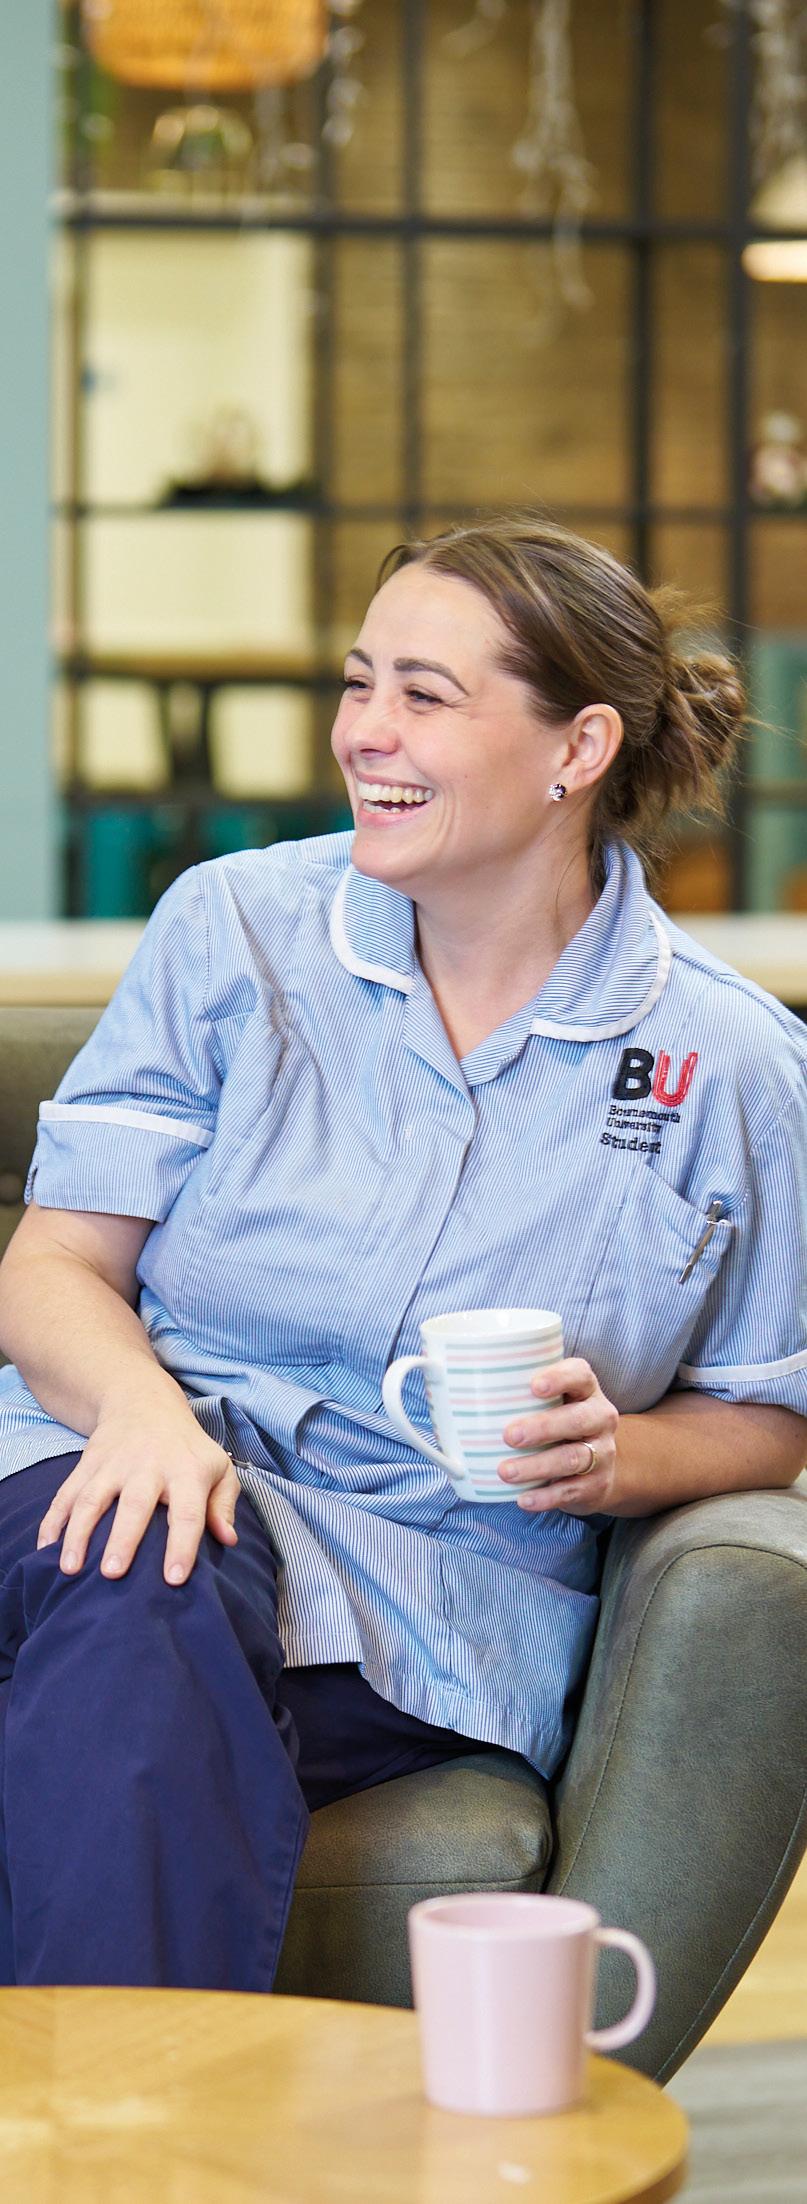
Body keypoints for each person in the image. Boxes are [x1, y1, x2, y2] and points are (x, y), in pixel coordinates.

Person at [0, 514, 805, 1992]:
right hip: (92, 1464)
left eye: (425, 696)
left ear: (579, 749)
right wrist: (145, 1415)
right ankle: (131, 2120)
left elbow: (770, 1410)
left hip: (418, 1597)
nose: (364, 731)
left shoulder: (730, 1066)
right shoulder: (235, 931)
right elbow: (53, 1264)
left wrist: (619, 1459)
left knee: (140, 1605)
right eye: (359, 681)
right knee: (146, 1553)